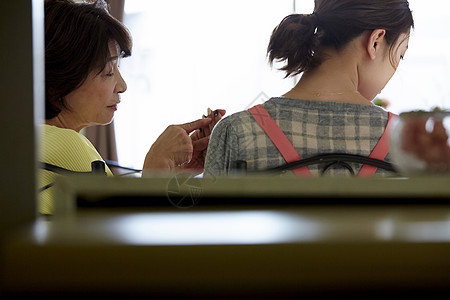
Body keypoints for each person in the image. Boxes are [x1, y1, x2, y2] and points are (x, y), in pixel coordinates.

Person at [39, 0, 225, 215]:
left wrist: (172, 173)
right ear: (58, 81)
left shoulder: (33, 142)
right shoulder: (68, 145)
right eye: (108, 71)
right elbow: (121, 241)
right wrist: (154, 171)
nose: (122, 86)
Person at [204, 0, 413, 177]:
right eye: (400, 55)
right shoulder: (409, 142)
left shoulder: (235, 132)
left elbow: (206, 223)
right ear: (375, 42)